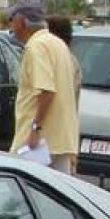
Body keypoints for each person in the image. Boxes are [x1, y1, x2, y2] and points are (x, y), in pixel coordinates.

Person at [6, 0, 80, 174]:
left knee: (21, 191)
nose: (10, 25)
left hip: (39, 144)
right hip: (61, 141)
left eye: (11, 20)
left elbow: (46, 91)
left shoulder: (36, 46)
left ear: (21, 21)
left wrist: (35, 130)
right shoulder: (58, 44)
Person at [47, 14, 83, 172]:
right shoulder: (71, 61)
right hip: (65, 137)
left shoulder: (60, 60)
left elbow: (49, 95)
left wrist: (34, 128)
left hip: (51, 137)